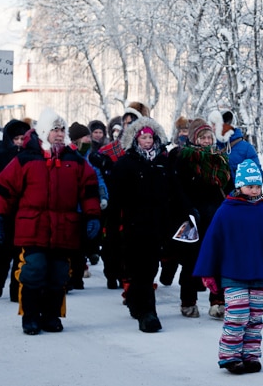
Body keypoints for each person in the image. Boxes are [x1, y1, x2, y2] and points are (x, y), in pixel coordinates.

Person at [0, 108, 101, 335]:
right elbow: (5, 190)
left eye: (62, 130)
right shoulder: (26, 159)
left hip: (65, 228)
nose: (59, 134)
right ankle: (30, 316)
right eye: (54, 130)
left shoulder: (75, 161)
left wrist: (92, 216)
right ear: (43, 132)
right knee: (34, 270)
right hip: (32, 226)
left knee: (59, 273)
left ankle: (51, 316)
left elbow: (89, 191)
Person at [193, 159, 263, 374]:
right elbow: (213, 241)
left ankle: (250, 355)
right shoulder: (226, 211)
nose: (254, 190)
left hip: (258, 274)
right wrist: (208, 271)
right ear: (239, 186)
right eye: (250, 186)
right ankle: (230, 357)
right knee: (237, 315)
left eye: (257, 186)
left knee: (254, 317)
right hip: (233, 274)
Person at [109, 116, 179, 333]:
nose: (147, 141)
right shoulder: (126, 163)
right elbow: (116, 198)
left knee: (150, 268)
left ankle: (134, 300)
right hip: (133, 224)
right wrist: (112, 226)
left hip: (157, 223)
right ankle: (148, 314)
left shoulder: (163, 162)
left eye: (150, 137)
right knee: (141, 269)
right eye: (143, 137)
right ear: (135, 139)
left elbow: (174, 191)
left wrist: (185, 212)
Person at [168, 117, 233, 318]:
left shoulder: (219, 159)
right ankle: (188, 301)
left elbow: (228, 185)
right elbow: (177, 188)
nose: (206, 141)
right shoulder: (183, 158)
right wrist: (188, 209)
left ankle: (218, 301)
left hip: (215, 215)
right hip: (192, 216)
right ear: (195, 138)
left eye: (209, 137)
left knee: (218, 259)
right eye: (202, 137)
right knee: (191, 261)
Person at [90, 103, 149, 290]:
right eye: (126, 122)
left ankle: (131, 279)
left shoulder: (148, 147)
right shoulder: (112, 149)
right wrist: (105, 167)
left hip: (139, 203)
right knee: (112, 241)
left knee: (134, 244)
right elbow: (98, 167)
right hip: (115, 201)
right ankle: (112, 273)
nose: (128, 125)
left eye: (132, 122)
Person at [0, 118, 31, 301]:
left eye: (23, 138)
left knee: (20, 255)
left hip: (23, 212)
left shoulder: (31, 157)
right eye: (17, 138)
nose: (20, 142)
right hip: (3, 210)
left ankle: (16, 290)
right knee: (3, 253)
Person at [66, 121, 94, 291]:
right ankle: (71, 277)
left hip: (85, 206)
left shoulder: (89, 156)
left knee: (81, 246)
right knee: (71, 246)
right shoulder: (69, 156)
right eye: (86, 137)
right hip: (72, 206)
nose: (89, 140)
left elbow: (95, 177)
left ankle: (77, 277)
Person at [208, 109, 263, 179]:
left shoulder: (247, 149)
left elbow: (256, 177)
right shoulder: (211, 148)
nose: (212, 128)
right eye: (212, 124)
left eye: (215, 124)